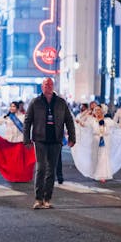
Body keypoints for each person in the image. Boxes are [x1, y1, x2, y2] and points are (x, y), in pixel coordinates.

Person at [22, 77, 76, 210]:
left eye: (50, 84)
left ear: (53, 86)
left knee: (51, 170)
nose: (48, 86)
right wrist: (26, 139)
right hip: (40, 139)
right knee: (41, 168)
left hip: (56, 140)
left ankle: (47, 199)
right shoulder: (35, 102)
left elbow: (69, 120)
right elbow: (27, 121)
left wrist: (72, 137)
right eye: (46, 84)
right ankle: (38, 199)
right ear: (42, 87)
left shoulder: (61, 102)